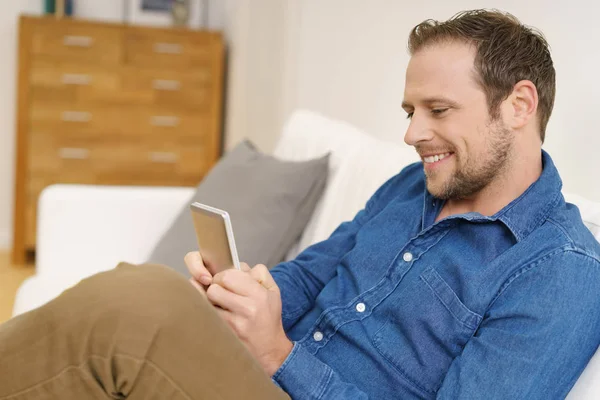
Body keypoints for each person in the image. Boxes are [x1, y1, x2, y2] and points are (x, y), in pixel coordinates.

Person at [2, 8, 600, 400]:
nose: (413, 133)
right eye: (409, 111)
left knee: (137, 308)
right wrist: (245, 299)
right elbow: (312, 273)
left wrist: (279, 355)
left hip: (284, 379)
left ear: (519, 106)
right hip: (262, 373)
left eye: (437, 111)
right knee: (142, 295)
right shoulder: (409, 188)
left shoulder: (561, 273)